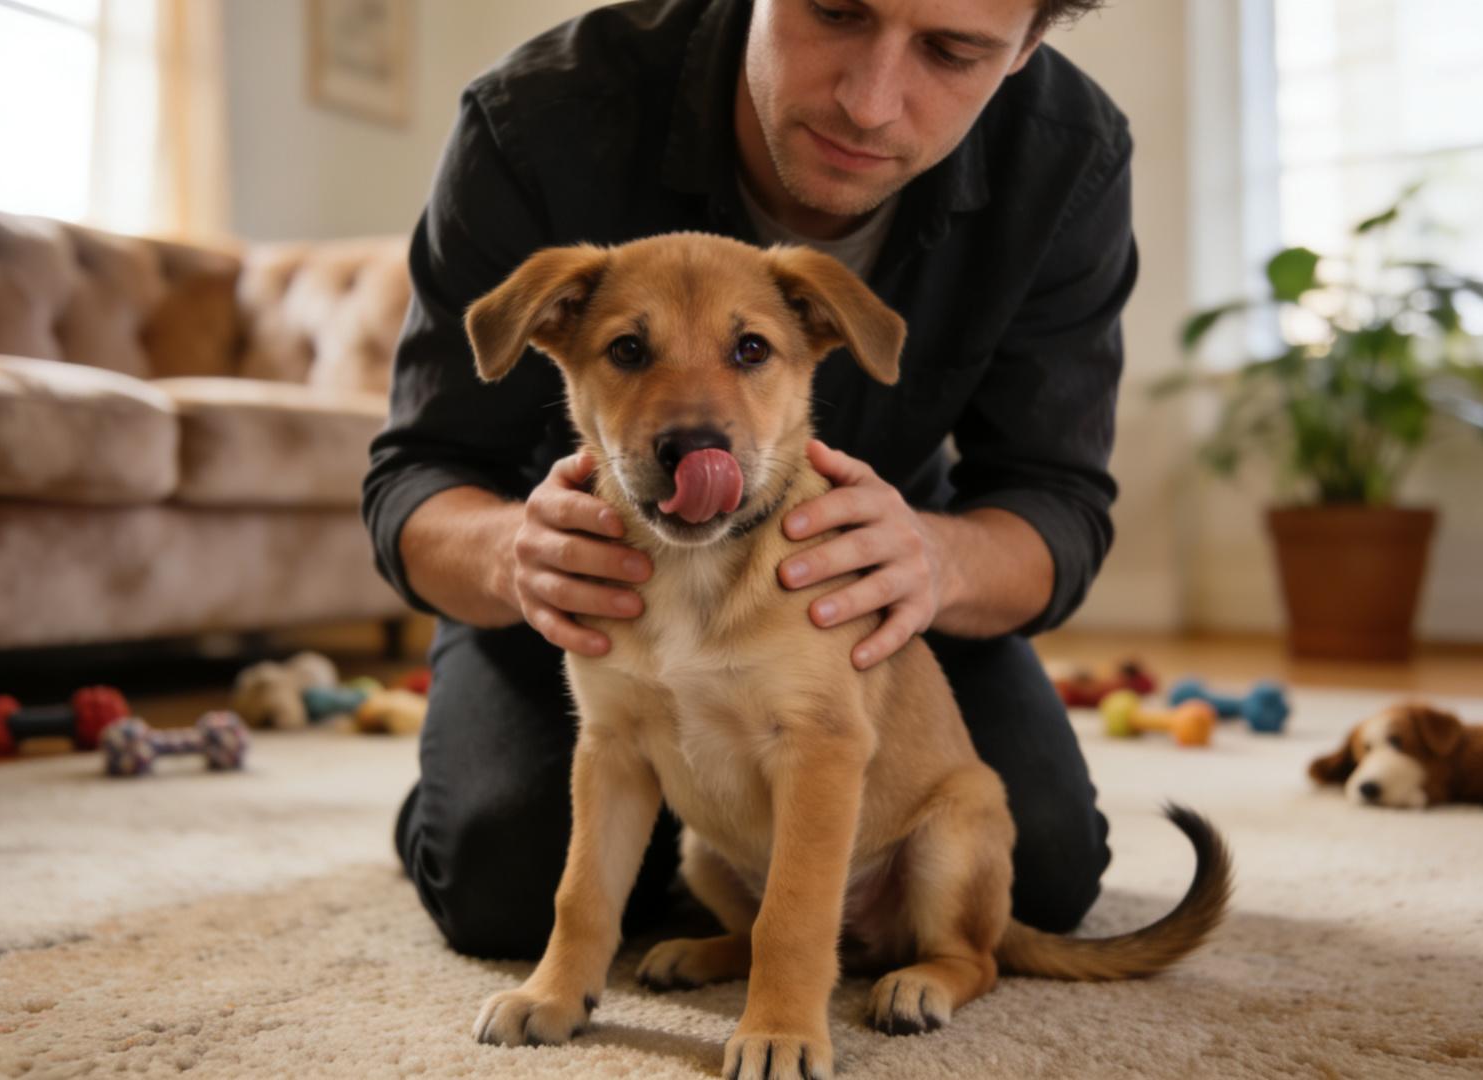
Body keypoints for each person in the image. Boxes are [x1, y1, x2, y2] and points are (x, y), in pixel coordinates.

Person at [362, 0, 1133, 961]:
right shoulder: (535, 117)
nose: (869, 103)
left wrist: (934, 562)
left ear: (1024, 48)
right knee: (499, 874)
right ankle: (472, 795)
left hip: (876, 578)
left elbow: (1057, 501)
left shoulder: (1067, 155)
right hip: (573, 575)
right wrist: (512, 554)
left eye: (950, 50)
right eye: (835, 11)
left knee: (1045, 868)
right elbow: (417, 472)